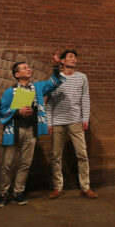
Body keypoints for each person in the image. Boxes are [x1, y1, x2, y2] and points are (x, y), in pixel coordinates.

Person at [0, 54, 63, 206]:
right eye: (25, 68)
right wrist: (17, 111)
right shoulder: (9, 92)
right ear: (17, 74)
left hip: (31, 130)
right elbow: (1, 111)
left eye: (28, 67)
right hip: (14, 130)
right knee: (7, 164)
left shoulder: (37, 87)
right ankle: (3, 194)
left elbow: (54, 82)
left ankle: (18, 192)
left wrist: (56, 67)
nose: (29, 69)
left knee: (25, 163)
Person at [47, 49, 96, 199]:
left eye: (75, 57)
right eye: (70, 57)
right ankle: (58, 187)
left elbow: (85, 99)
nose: (74, 59)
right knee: (56, 155)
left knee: (82, 154)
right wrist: (49, 122)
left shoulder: (82, 78)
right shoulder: (55, 78)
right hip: (57, 121)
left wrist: (85, 118)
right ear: (62, 61)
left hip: (75, 120)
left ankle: (85, 187)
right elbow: (49, 102)